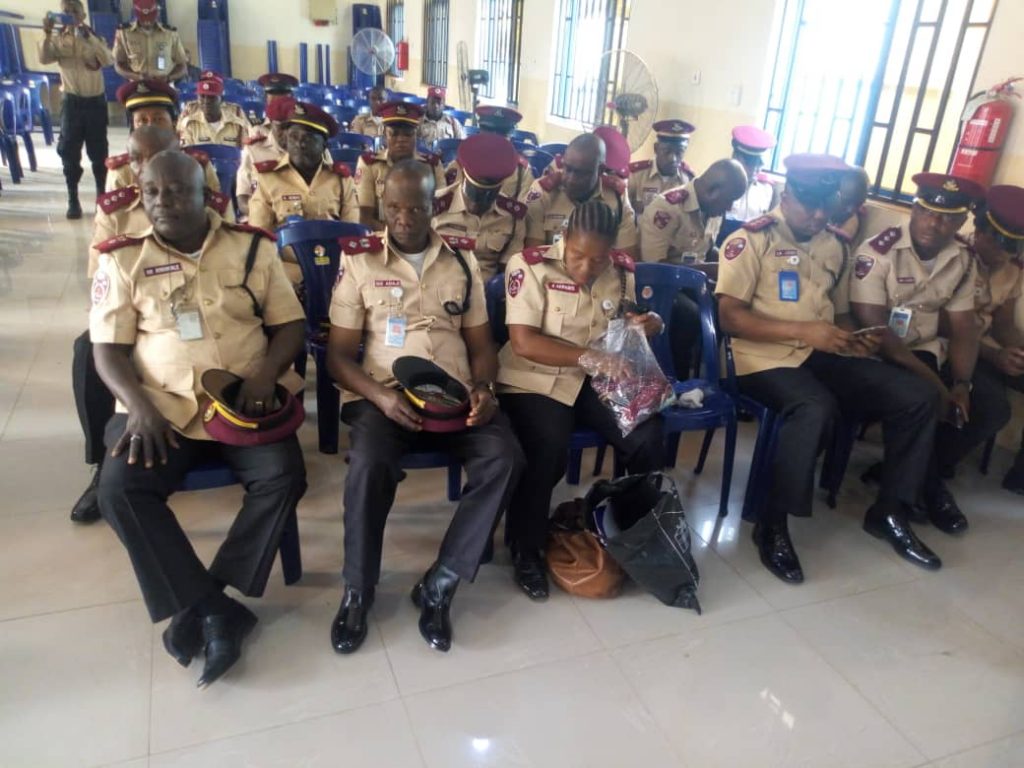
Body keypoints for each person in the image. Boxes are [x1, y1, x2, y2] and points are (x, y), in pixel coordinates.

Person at [90, 150, 307, 686]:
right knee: (119, 490)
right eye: (152, 191)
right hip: (161, 409)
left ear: (204, 192)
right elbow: (105, 350)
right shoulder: (122, 259)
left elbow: (289, 325)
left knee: (283, 476)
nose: (163, 201)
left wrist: (265, 377)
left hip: (241, 404)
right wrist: (138, 407)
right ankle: (213, 609)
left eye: (176, 191)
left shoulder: (251, 248)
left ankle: (210, 598)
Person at [326, 160, 524, 655]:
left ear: (434, 205)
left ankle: (442, 579)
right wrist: (379, 397)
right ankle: (358, 588)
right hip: (384, 392)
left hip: (453, 393)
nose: (404, 218)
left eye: (415, 207)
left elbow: (481, 341)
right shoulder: (359, 261)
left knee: (505, 457)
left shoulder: (461, 260)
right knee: (369, 464)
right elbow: (336, 357)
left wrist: (484, 387)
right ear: (384, 204)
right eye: (394, 207)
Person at [716, 154, 943, 583]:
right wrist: (805, 330)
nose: (819, 215)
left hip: (820, 352)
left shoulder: (834, 244)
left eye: (827, 206)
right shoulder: (752, 240)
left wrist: (855, 339)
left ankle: (890, 510)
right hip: (757, 358)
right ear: (787, 195)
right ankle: (773, 522)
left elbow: (837, 315)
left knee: (917, 395)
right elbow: (730, 317)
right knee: (814, 407)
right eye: (810, 205)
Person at [499, 200, 665, 599]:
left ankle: (628, 533)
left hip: (594, 378)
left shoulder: (622, 270)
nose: (587, 269)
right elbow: (523, 343)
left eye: (598, 259)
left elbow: (631, 317)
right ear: (564, 237)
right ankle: (527, 548)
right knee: (548, 446)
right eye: (577, 256)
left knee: (647, 433)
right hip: (535, 376)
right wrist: (591, 357)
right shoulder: (528, 265)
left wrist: (652, 323)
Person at [69, 132, 233, 525]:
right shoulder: (118, 209)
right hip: (135, 308)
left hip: (196, 310)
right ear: (133, 166)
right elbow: (101, 279)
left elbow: (222, 253)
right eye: (140, 160)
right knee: (90, 349)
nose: (149, 166)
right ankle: (102, 460)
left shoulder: (205, 203)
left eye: (161, 157)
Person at [850, 173, 1004, 531]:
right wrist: (939, 386)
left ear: (963, 221)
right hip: (882, 353)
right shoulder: (878, 251)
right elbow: (877, 330)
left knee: (990, 407)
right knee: (925, 397)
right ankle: (928, 490)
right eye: (929, 212)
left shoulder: (963, 259)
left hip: (929, 352)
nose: (936, 224)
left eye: (950, 217)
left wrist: (962, 385)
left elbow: (964, 326)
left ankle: (911, 471)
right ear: (914, 209)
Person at [963, 185, 1024, 492]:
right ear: (981, 230)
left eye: (1016, 247)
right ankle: (936, 465)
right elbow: (948, 327)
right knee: (995, 410)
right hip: (954, 349)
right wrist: (995, 356)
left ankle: (1021, 478)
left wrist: (1018, 348)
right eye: (1003, 245)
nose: (1009, 254)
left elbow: (1002, 322)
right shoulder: (956, 257)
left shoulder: (1012, 270)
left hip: (987, 349)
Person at [38, 0, 114, 219]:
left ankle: (101, 195)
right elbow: (43, 59)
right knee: (70, 154)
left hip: (95, 103)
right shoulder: (59, 40)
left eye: (75, 11)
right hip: (72, 103)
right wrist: (47, 33)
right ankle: (73, 197)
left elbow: (107, 59)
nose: (70, 15)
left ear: (83, 14)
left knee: (99, 154)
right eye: (66, 12)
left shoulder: (94, 37)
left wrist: (85, 33)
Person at [248, 100, 358, 231]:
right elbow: (259, 235)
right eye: (293, 136)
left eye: (309, 138)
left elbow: (352, 233)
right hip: (280, 251)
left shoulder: (342, 181)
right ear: (286, 141)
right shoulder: (268, 179)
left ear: (324, 145)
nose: (300, 144)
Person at [524, 133, 638, 258]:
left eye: (580, 173)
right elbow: (534, 258)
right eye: (567, 169)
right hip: (549, 274)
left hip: (601, 273)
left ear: (600, 170)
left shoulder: (617, 198)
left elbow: (626, 258)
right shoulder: (543, 192)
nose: (571, 179)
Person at [432, 133, 527, 280]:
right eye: (475, 192)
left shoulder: (512, 217)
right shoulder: (435, 207)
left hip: (486, 294)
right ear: (463, 176)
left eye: (489, 195)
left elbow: (509, 271)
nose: (478, 204)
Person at [106, 80, 221, 192]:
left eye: (158, 119)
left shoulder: (198, 165)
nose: (151, 126)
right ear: (133, 128)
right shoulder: (122, 172)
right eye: (142, 120)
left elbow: (216, 209)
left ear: (174, 124)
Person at [639, 159, 748, 269]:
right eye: (729, 200)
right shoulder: (666, 208)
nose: (729, 208)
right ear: (712, 191)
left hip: (699, 283)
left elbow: (706, 250)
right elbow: (653, 266)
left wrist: (728, 263)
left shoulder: (714, 210)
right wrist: (706, 270)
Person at [355, 102, 446, 230]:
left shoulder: (432, 165)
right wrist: (398, 236)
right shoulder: (369, 164)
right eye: (394, 133)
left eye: (408, 134)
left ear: (416, 136)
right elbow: (364, 217)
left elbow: (441, 213)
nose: (401, 139)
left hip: (423, 238)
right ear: (385, 136)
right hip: (382, 237)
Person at [444, 105, 535, 200]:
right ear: (480, 131)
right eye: (488, 131)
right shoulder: (464, 162)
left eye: (502, 132)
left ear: (510, 135)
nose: (494, 138)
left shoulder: (522, 171)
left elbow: (524, 210)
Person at [714, 125, 779, 245]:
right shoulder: (717, 185)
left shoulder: (767, 189)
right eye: (749, 162)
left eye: (759, 163)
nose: (755, 168)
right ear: (736, 158)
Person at [236, 96, 294, 218]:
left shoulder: (311, 150)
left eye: (291, 127)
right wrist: (264, 216)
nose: (287, 133)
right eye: (281, 127)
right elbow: (242, 199)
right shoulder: (253, 151)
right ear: (271, 125)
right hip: (261, 222)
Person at [829, 166, 907, 254]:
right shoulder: (816, 213)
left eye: (858, 204)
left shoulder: (852, 221)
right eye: (847, 201)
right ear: (832, 193)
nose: (851, 210)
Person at [627, 119, 697, 215]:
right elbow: (624, 214)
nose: (673, 158)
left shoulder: (688, 181)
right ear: (656, 148)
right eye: (667, 151)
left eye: (679, 152)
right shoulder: (636, 176)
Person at [112, 0, 187, 82]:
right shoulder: (124, 33)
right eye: (143, 19)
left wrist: (168, 78)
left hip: (164, 83)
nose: (147, 22)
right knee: (120, 94)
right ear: (136, 14)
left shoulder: (170, 34)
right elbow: (118, 64)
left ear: (157, 13)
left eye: (150, 18)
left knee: (174, 95)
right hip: (137, 83)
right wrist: (137, 77)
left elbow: (182, 66)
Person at [176, 75, 249, 147]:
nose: (206, 101)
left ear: (221, 100)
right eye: (202, 96)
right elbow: (186, 153)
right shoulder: (189, 124)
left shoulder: (238, 124)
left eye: (211, 97)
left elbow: (246, 150)